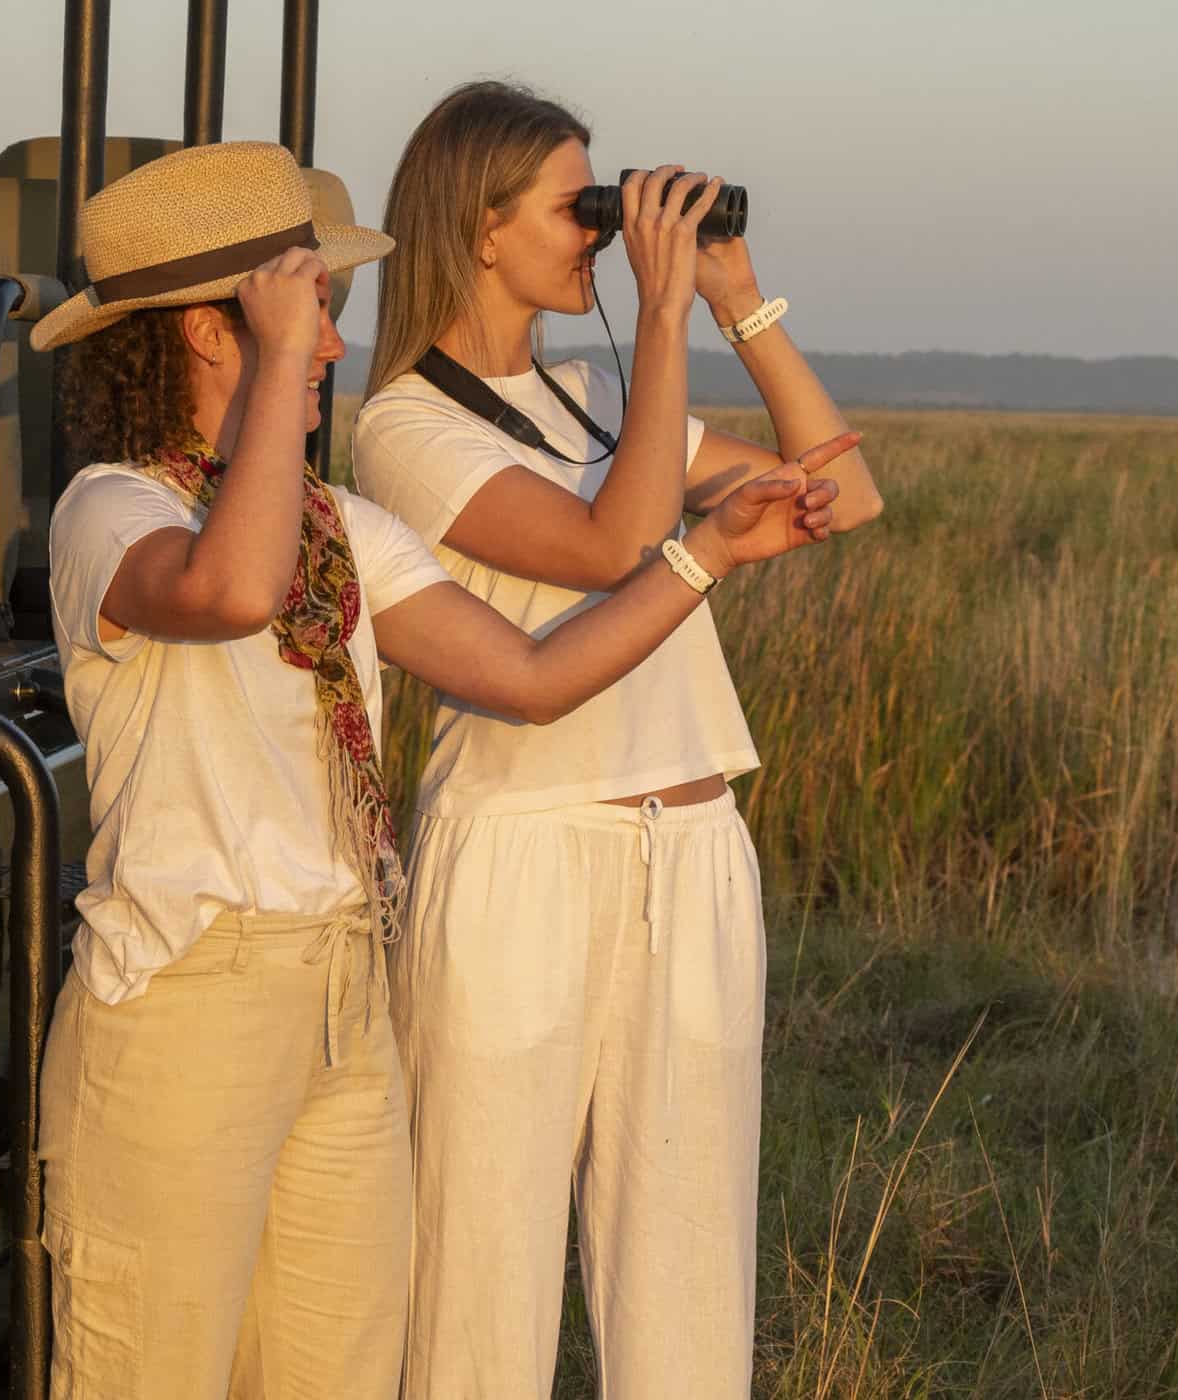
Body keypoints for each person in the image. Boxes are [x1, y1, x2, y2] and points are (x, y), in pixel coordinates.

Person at [28, 141, 850, 1400]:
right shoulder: (110, 512)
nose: (333, 349)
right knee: (155, 1365)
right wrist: (270, 391)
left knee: (341, 1367)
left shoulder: (336, 527)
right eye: (308, 313)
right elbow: (234, 588)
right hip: (187, 999)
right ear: (210, 331)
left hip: (341, 993)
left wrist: (705, 561)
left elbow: (528, 675)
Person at [353, 82, 885, 1398]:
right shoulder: (402, 429)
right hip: (527, 849)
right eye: (577, 208)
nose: (602, 233)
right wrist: (655, 312)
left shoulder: (598, 392)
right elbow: (614, 545)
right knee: (485, 1258)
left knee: (689, 1258)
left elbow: (850, 492)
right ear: (479, 229)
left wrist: (732, 298)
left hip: (690, 844)